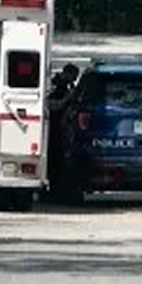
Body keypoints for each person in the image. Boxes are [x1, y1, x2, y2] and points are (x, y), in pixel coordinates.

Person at [47, 63, 80, 197]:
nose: (73, 80)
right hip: (53, 128)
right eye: (72, 76)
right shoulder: (55, 85)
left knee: (61, 159)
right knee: (54, 159)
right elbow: (51, 105)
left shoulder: (68, 86)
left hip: (63, 129)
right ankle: (52, 187)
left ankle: (58, 187)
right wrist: (68, 98)